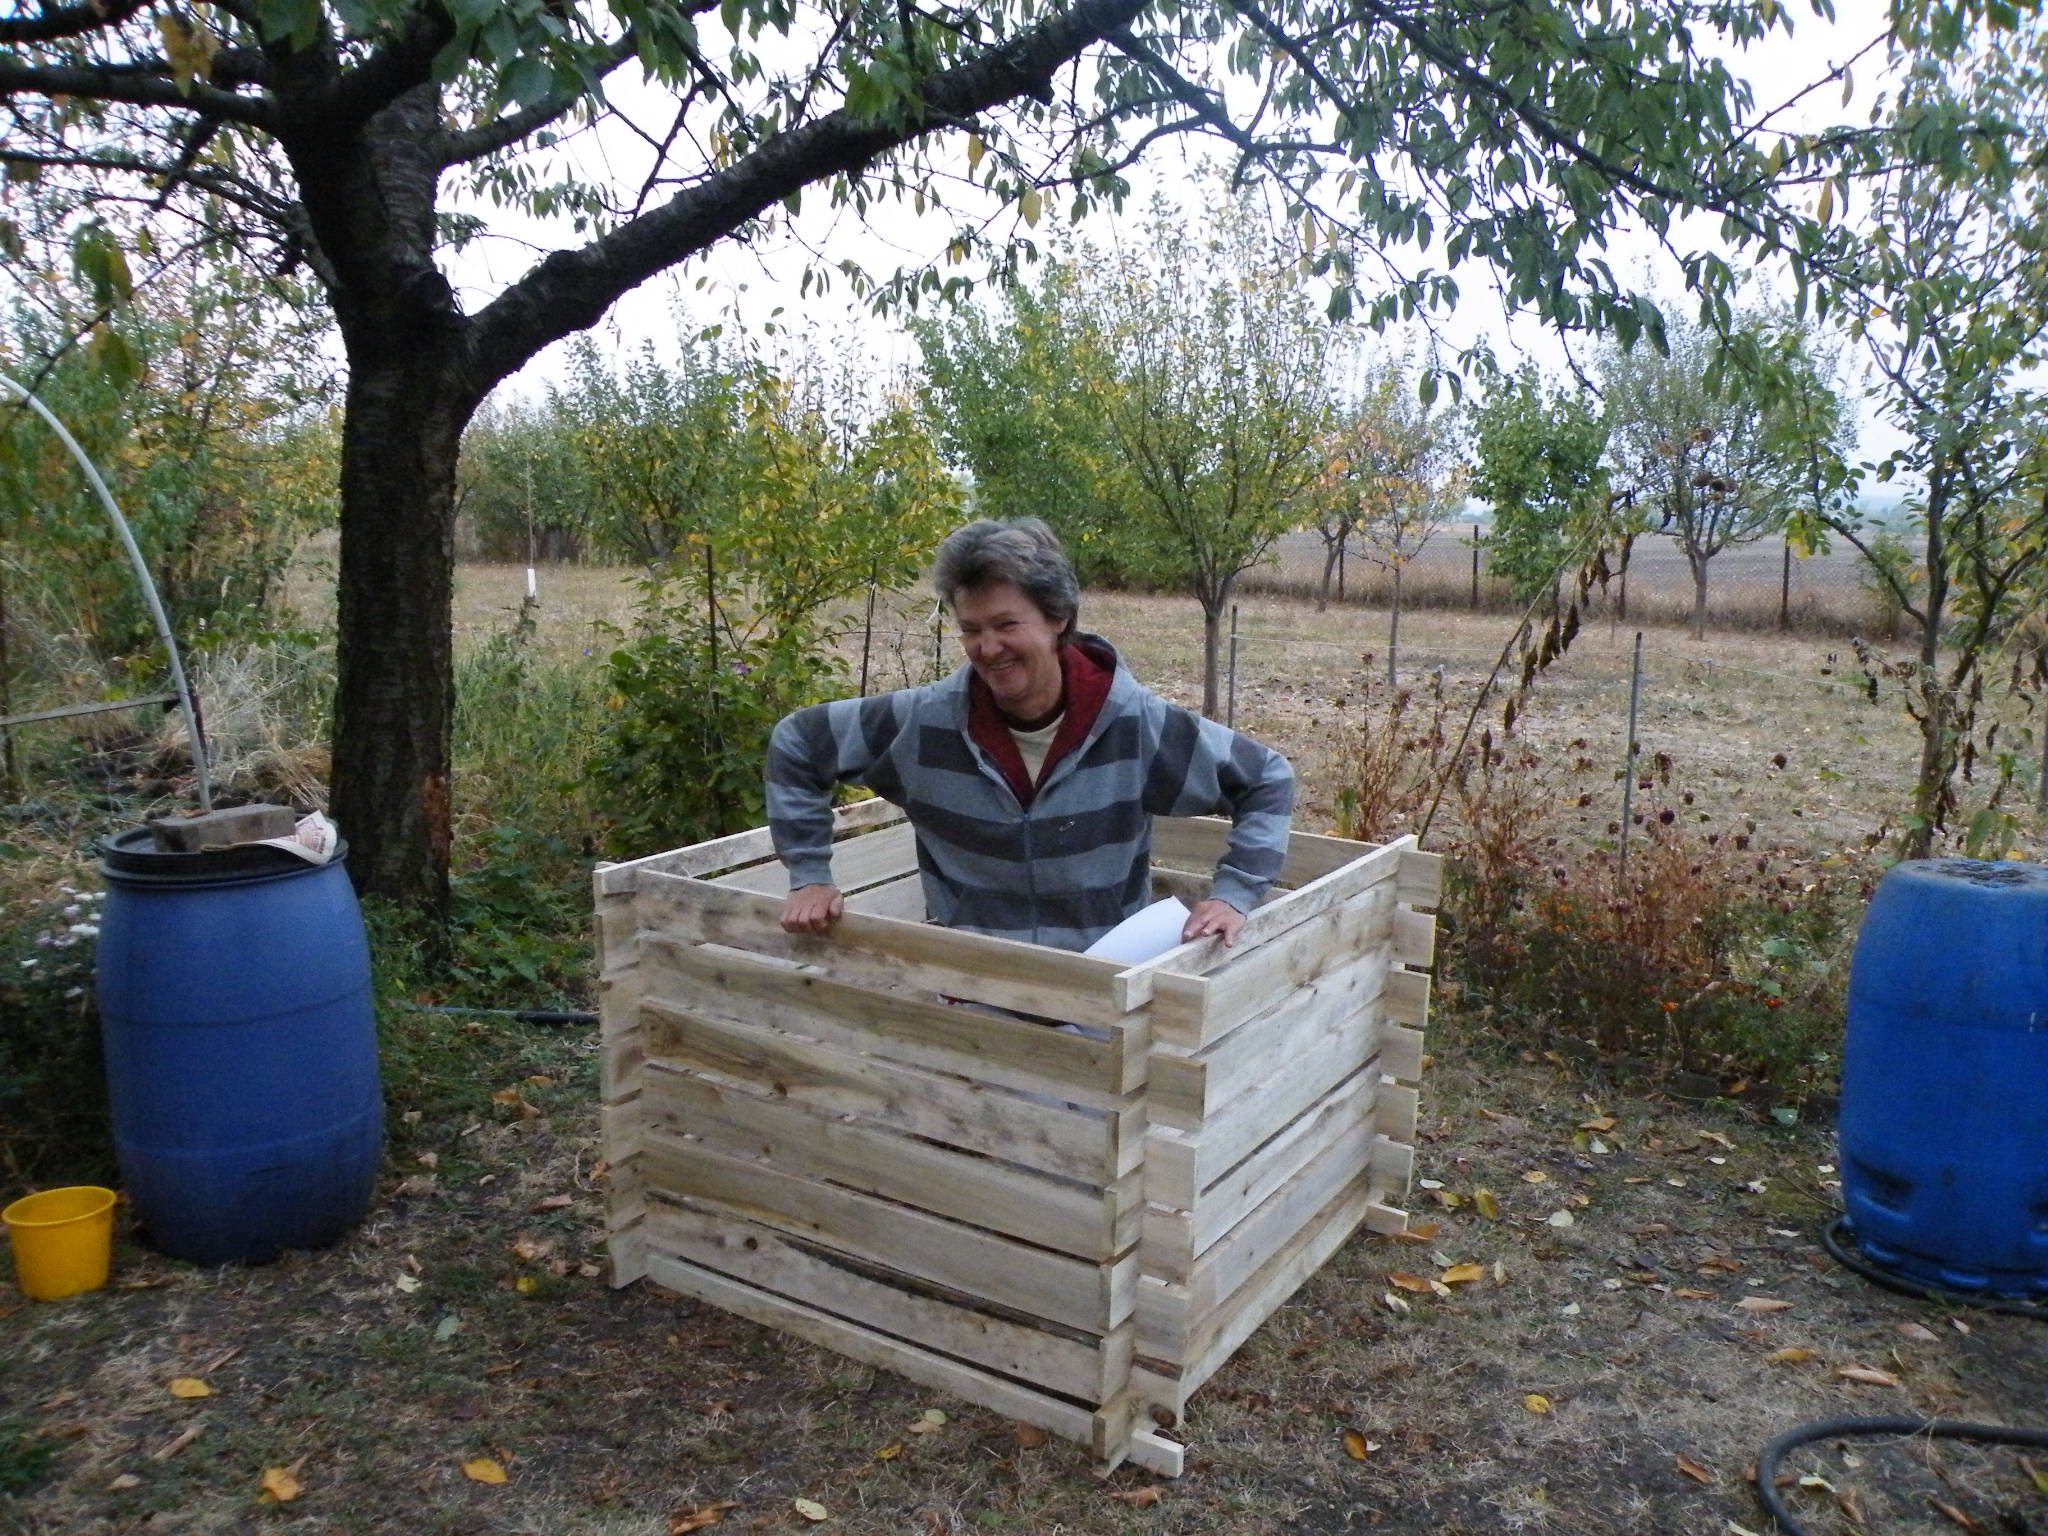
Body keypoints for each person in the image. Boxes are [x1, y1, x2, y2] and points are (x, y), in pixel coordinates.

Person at [766, 517, 1294, 951]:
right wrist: (810, 874)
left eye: (1006, 625)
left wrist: (1234, 894)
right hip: (973, 992)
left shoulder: (1137, 729)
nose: (987, 648)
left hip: (1104, 992)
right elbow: (799, 743)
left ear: (1057, 617)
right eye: (971, 629)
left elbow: (1266, 778)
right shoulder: (921, 727)